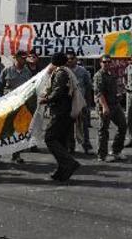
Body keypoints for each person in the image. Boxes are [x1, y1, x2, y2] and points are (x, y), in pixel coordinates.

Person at [39, 52, 80, 182]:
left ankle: (69, 163)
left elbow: (59, 90)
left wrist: (47, 100)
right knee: (60, 141)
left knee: (49, 137)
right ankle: (63, 169)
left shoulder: (61, 73)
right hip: (65, 111)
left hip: (61, 112)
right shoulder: (66, 71)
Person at [0, 51, 33, 163]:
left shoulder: (27, 72)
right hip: (8, 105)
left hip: (22, 105)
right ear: (16, 58)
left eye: (25, 58)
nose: (24, 60)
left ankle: (16, 154)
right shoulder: (6, 71)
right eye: (22, 58)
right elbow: (0, 87)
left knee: (20, 130)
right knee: (5, 130)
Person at [94, 54, 126, 162]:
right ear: (100, 63)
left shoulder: (111, 73)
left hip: (115, 104)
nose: (107, 64)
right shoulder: (99, 75)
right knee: (103, 130)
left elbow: (114, 88)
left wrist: (118, 94)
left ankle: (116, 151)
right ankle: (102, 155)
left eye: (108, 62)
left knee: (123, 126)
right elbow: (99, 93)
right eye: (104, 62)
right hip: (105, 105)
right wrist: (104, 107)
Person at [66, 51, 93, 155]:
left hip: (81, 103)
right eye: (68, 59)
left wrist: (88, 103)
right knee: (68, 127)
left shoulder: (83, 71)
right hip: (68, 103)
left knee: (84, 126)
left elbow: (88, 87)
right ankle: (70, 147)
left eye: (72, 58)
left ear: (76, 59)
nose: (70, 60)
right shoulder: (65, 71)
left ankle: (87, 146)